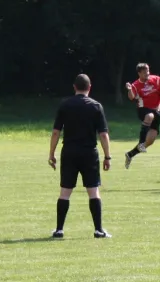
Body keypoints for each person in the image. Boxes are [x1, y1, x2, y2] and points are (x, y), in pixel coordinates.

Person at [48, 74, 112, 239]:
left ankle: (59, 230)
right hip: (89, 153)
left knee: (65, 192)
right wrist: (107, 156)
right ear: (89, 87)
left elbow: (56, 132)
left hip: (69, 152)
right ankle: (98, 230)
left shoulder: (65, 105)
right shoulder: (96, 106)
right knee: (93, 191)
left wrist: (51, 153)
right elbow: (103, 134)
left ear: (74, 87)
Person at [124, 63, 160, 169]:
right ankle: (141, 142)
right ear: (139, 73)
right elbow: (131, 98)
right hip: (143, 109)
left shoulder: (157, 80)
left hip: (156, 111)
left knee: (150, 140)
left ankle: (130, 154)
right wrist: (129, 89)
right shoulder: (136, 85)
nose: (147, 74)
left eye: (148, 71)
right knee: (149, 116)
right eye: (145, 73)